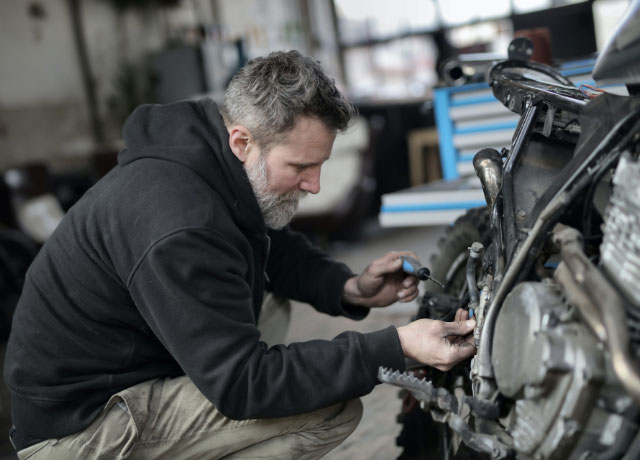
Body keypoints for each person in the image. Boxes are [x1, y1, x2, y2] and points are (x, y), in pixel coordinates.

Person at [4, 50, 476, 460]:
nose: (314, 185)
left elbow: (267, 246)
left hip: (123, 369)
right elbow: (244, 384)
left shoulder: (208, 159)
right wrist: (396, 346)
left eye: (320, 166)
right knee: (327, 409)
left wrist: (349, 287)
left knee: (272, 299)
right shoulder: (180, 223)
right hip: (82, 428)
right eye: (301, 166)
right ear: (242, 141)